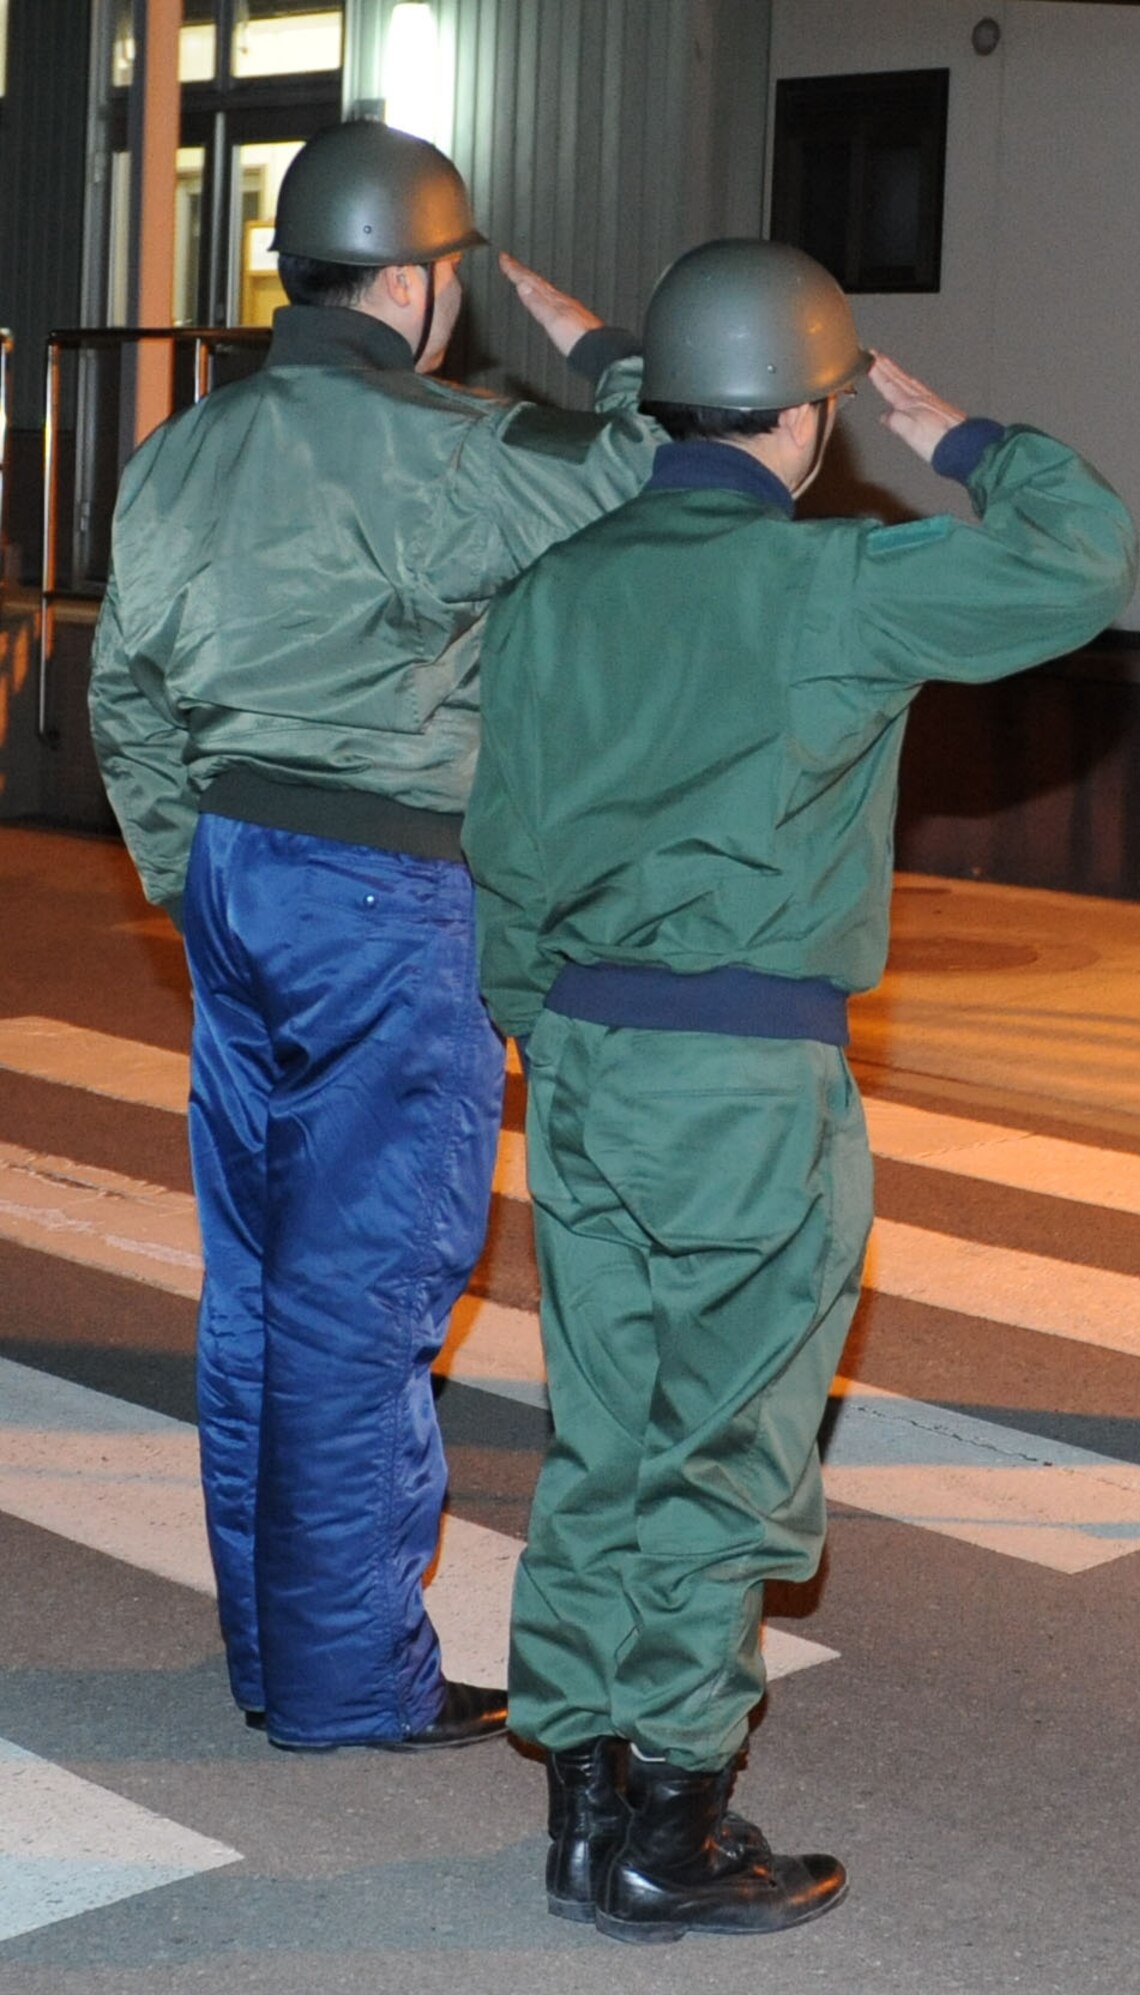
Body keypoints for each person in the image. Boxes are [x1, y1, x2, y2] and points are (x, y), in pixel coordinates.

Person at [462, 237, 1136, 1942]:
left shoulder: (557, 583)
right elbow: (1085, 562)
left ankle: (584, 1800)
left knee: (603, 1433)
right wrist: (967, 438)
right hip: (748, 1077)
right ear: (816, 413)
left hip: (592, 1064)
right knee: (724, 1445)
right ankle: (673, 1830)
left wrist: (544, 1022)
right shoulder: (835, 582)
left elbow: (506, 847)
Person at [87, 118, 663, 1751]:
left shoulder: (180, 449)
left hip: (234, 874)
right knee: (368, 1300)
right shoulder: (437, 447)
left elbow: (124, 687)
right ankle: (349, 1681)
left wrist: (181, 867)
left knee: (262, 1290)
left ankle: (280, 1653)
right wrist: (598, 341)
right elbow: (655, 459)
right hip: (387, 891)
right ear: (413, 281)